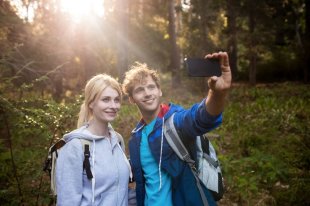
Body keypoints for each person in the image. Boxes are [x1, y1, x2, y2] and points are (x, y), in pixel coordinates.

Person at [122, 52, 232, 206]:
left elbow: (201, 118)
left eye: (151, 87)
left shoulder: (175, 121)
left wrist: (217, 93)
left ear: (159, 91)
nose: (147, 93)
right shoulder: (137, 137)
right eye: (140, 90)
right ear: (132, 98)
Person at [56, 74, 132, 206]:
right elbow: (67, 201)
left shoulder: (117, 140)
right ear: (91, 102)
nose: (113, 106)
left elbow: (120, 190)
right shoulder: (75, 146)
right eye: (106, 99)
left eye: (117, 100)